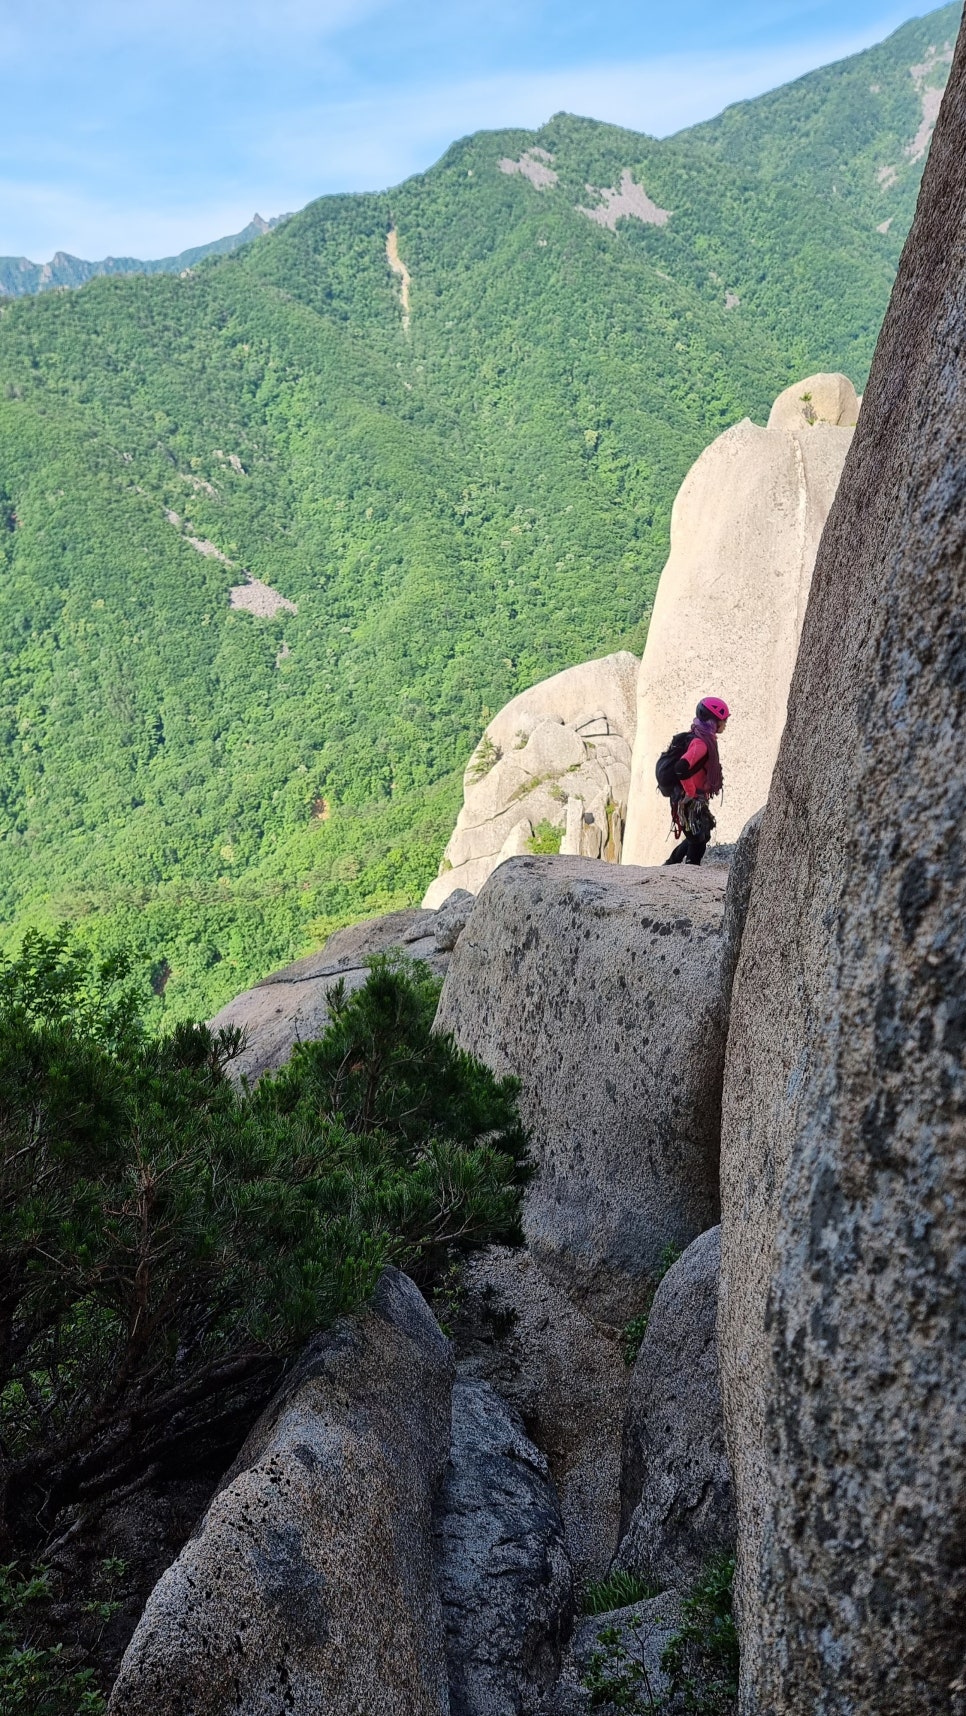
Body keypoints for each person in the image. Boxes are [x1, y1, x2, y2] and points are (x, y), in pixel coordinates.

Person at [664, 696, 729, 866]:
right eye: (723, 720)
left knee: (701, 834)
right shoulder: (701, 743)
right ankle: (690, 868)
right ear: (713, 721)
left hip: (694, 797)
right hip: (689, 798)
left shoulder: (704, 737)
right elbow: (681, 767)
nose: (725, 724)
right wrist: (691, 792)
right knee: (698, 838)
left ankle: (672, 863)